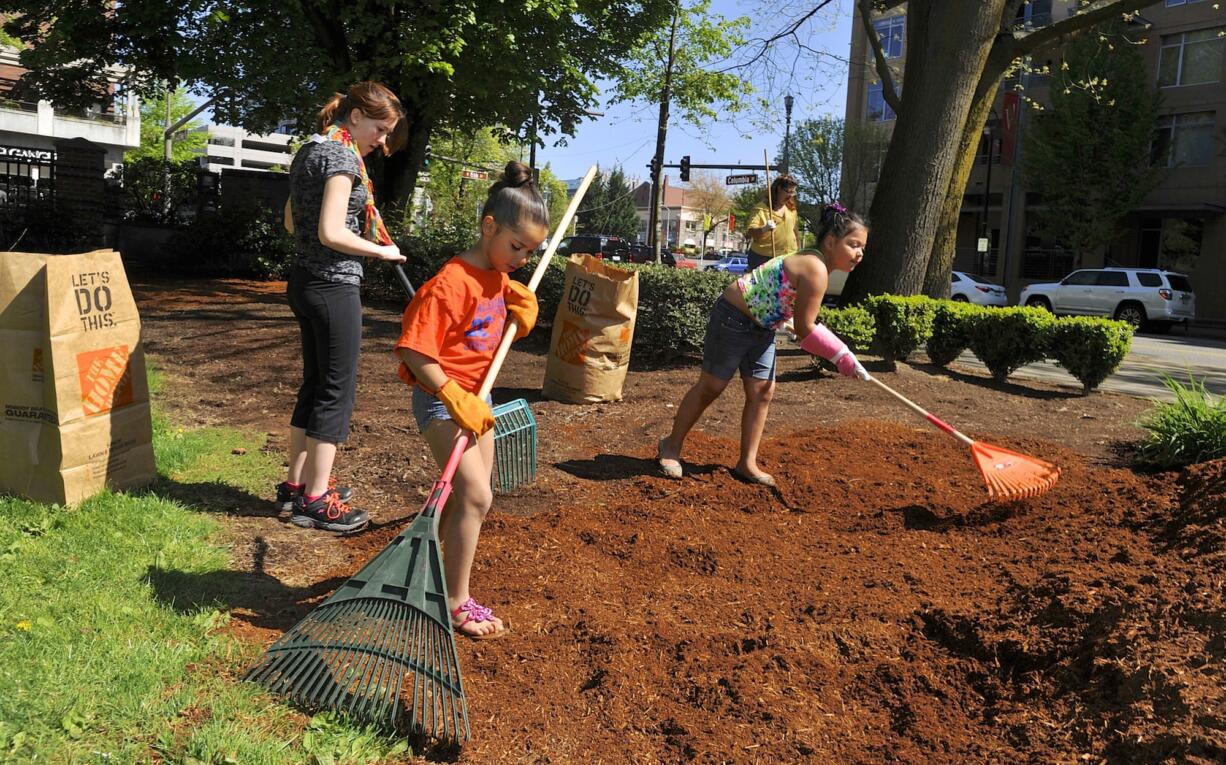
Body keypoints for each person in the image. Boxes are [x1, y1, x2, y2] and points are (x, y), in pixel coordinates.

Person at [394, 161, 547, 639]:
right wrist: (450, 394)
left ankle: (417, 571)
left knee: (470, 497)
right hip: (443, 401)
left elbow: (484, 334)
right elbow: (415, 351)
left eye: (531, 252)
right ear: (488, 227)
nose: (521, 258)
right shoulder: (449, 284)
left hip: (478, 400)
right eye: (515, 246)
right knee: (477, 496)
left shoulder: (498, 275)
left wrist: (516, 308)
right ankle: (456, 601)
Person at [657, 202, 869, 487]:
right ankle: (670, 446)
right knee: (711, 387)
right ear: (831, 242)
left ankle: (747, 462)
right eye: (853, 244)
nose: (859, 254)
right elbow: (808, 329)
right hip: (733, 318)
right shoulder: (816, 268)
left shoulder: (818, 264)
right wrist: (842, 355)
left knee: (762, 392)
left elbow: (791, 306)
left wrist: (783, 316)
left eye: (863, 248)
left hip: (762, 328)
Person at [276, 81, 407, 533]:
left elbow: (294, 219)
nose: (383, 140)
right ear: (355, 117)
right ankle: (315, 499)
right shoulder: (343, 158)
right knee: (336, 393)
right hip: (333, 287)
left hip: (305, 282)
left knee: (314, 387)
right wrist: (381, 252)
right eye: (380, 128)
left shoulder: (312, 149)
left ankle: (296, 486)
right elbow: (332, 231)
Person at [746, 175, 801, 271]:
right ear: (778, 189)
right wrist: (764, 228)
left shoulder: (791, 209)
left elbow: (796, 234)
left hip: (788, 257)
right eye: (788, 192)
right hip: (763, 258)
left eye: (793, 192)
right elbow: (750, 232)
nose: (790, 196)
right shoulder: (762, 208)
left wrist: (799, 253)